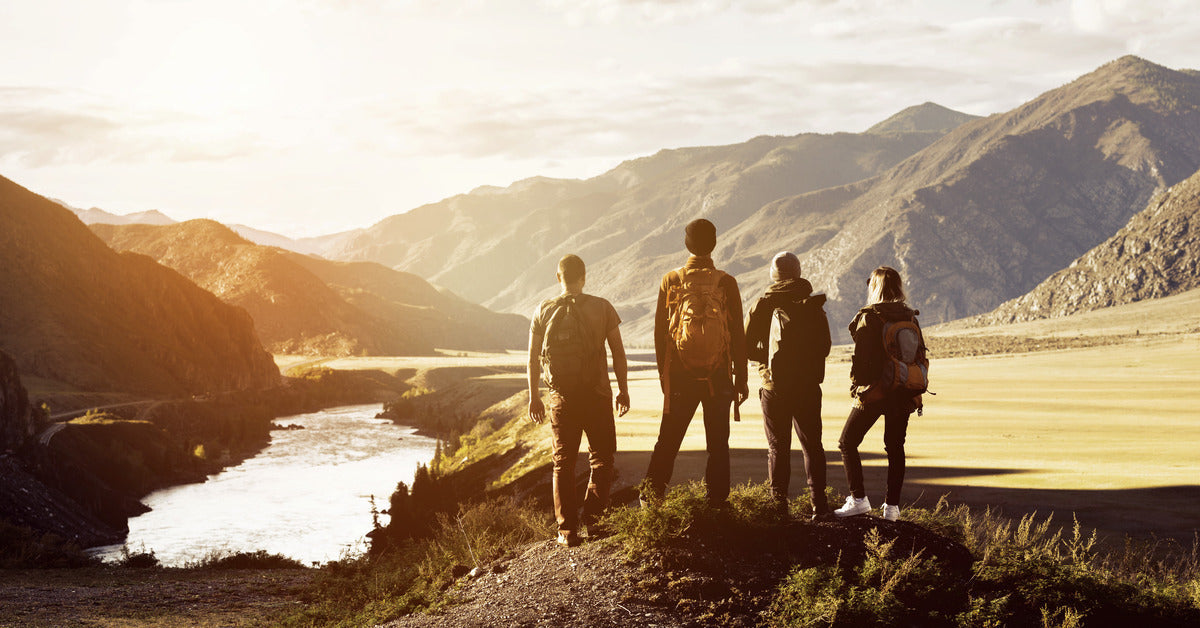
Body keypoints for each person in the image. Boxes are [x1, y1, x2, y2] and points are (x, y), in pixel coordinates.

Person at [643, 218, 748, 507]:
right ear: (713, 244)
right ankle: (716, 503)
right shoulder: (727, 282)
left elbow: (660, 334)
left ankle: (651, 501)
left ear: (686, 243)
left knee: (668, 442)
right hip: (718, 378)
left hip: (679, 377)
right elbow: (738, 335)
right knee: (717, 444)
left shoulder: (671, 280)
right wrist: (742, 379)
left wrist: (665, 378)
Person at [528, 254, 630, 547]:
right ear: (584, 277)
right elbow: (618, 354)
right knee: (602, 459)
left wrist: (535, 397)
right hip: (596, 396)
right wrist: (623, 390)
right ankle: (595, 523)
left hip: (561, 399)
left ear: (558, 277)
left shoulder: (543, 310)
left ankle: (567, 531)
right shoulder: (602, 307)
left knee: (563, 463)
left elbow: (533, 359)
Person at [744, 252, 832, 520]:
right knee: (812, 446)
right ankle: (820, 506)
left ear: (774, 274)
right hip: (807, 386)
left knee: (777, 447)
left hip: (774, 386)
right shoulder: (812, 304)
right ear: (798, 271)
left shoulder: (763, 304)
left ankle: (779, 506)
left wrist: (767, 362)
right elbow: (825, 348)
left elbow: (746, 346)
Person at [834, 266, 926, 522]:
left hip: (876, 392)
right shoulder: (911, 318)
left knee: (847, 442)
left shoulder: (870, 317)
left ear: (875, 288)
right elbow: (921, 356)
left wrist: (857, 386)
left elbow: (861, 362)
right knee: (895, 447)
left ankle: (858, 499)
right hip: (904, 390)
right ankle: (892, 508)